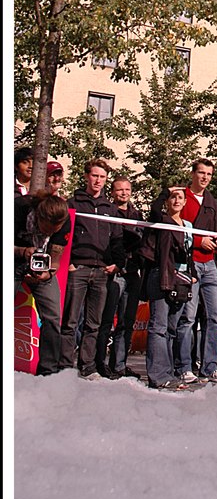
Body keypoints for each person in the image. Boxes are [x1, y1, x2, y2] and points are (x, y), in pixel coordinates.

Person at [58, 158, 125, 377]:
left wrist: (117, 264)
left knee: (94, 324)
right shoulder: (73, 203)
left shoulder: (110, 208)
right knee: (70, 321)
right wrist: (68, 263)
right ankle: (65, 368)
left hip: (102, 272)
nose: (98, 180)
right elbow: (63, 235)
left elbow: (117, 239)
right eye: (95, 176)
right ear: (87, 176)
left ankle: (87, 367)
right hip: (77, 269)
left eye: (102, 177)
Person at [177, 158, 217, 384]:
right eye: (201, 173)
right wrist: (199, 240)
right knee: (188, 317)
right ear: (192, 173)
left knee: (214, 316)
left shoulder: (214, 203)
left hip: (211, 266)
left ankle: (210, 366)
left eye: (209, 174)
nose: (205, 177)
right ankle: (185, 366)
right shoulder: (181, 198)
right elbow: (175, 227)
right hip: (189, 263)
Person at [141, 186, 197, 391]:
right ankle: (157, 374)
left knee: (172, 328)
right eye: (172, 197)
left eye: (179, 197)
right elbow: (154, 209)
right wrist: (165, 191)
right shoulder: (161, 220)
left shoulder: (189, 226)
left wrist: (193, 276)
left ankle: (170, 372)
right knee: (159, 326)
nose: (176, 200)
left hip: (182, 279)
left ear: (184, 202)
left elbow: (188, 254)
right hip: (161, 276)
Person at [14, 191, 72, 375]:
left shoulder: (63, 221)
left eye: (55, 230)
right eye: (47, 229)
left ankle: (48, 371)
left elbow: (56, 256)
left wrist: (48, 273)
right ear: (39, 216)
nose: (50, 232)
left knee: (54, 317)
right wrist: (22, 251)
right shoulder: (18, 210)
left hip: (41, 269)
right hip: (13, 261)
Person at [95, 176, 144, 380]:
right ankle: (98, 363)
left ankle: (119, 364)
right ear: (112, 192)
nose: (124, 193)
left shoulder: (137, 215)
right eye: (119, 190)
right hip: (114, 273)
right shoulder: (108, 212)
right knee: (106, 320)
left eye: (127, 189)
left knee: (127, 321)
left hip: (133, 274)